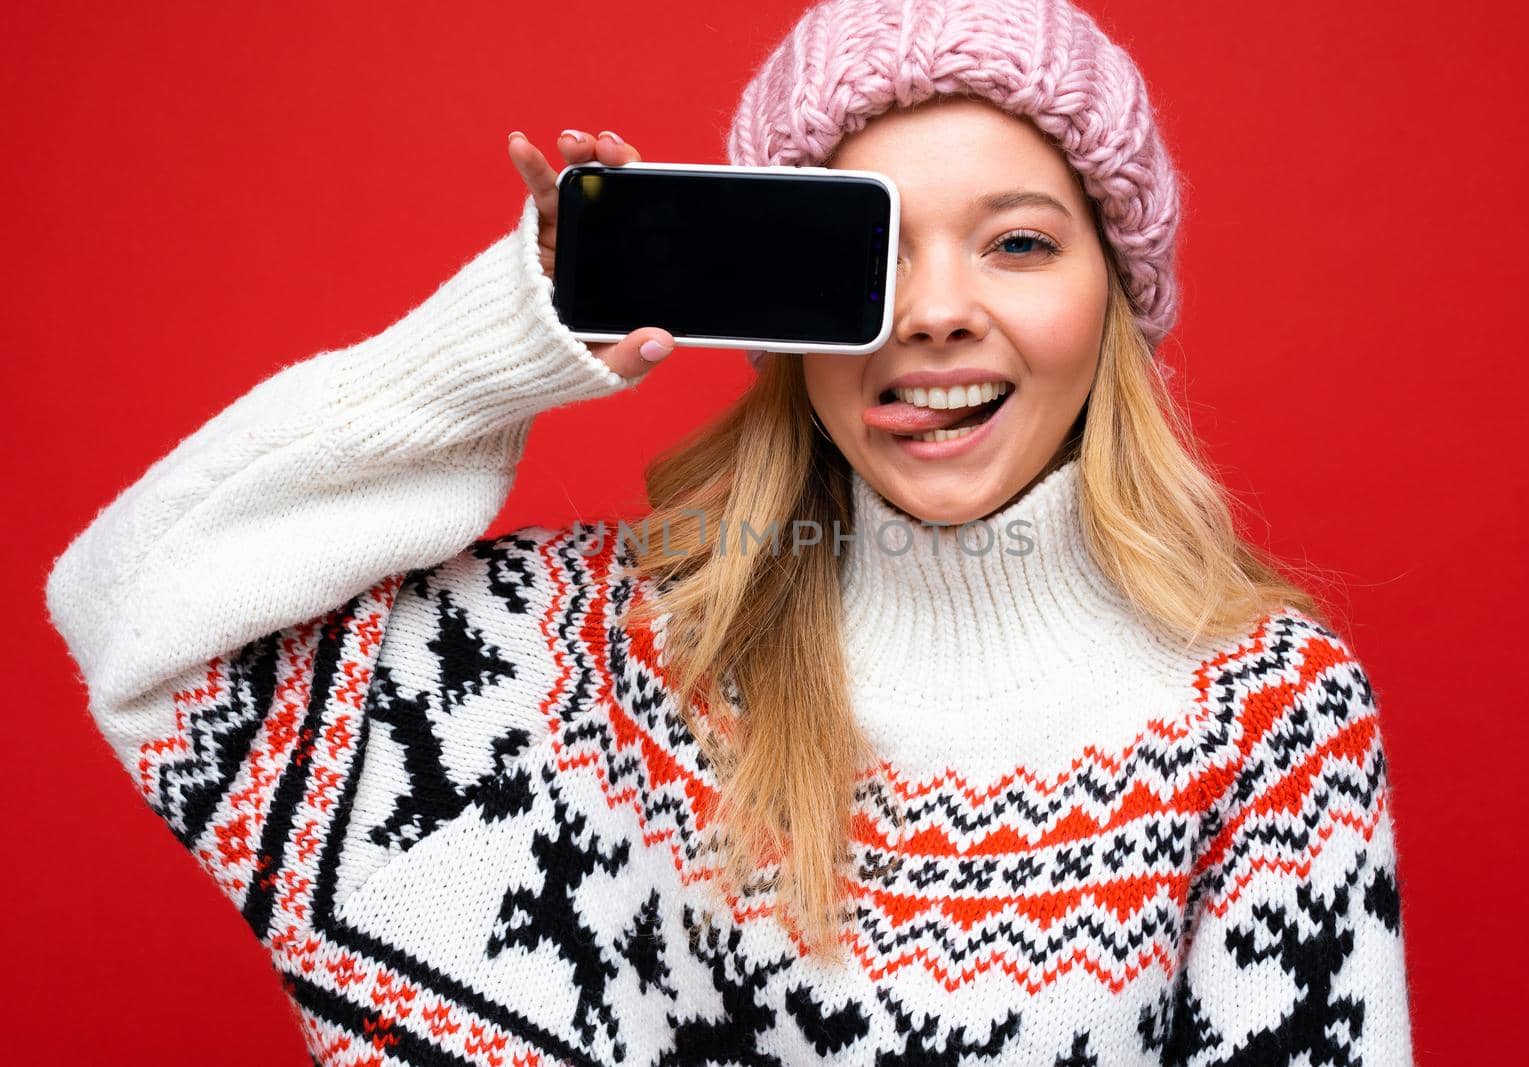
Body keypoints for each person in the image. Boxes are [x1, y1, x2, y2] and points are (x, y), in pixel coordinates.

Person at [44, 0, 1416, 1062]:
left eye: (1017, 243)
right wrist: (507, 337)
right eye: (870, 250)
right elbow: (141, 612)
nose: (934, 312)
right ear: (777, 307)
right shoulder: (603, 663)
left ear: (1114, 300)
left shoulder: (1264, 715)